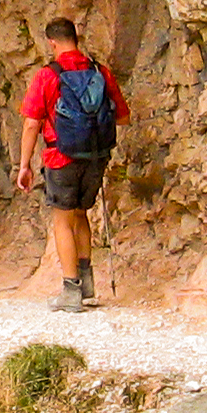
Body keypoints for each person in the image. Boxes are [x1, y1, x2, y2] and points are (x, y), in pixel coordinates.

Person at [16, 18, 127, 313]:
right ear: (75, 38)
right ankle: (87, 283)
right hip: (95, 155)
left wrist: (24, 165)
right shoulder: (98, 71)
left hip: (60, 156)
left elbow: (31, 124)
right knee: (81, 215)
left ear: (52, 42)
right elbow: (122, 115)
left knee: (63, 221)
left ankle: (71, 291)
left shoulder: (48, 75)